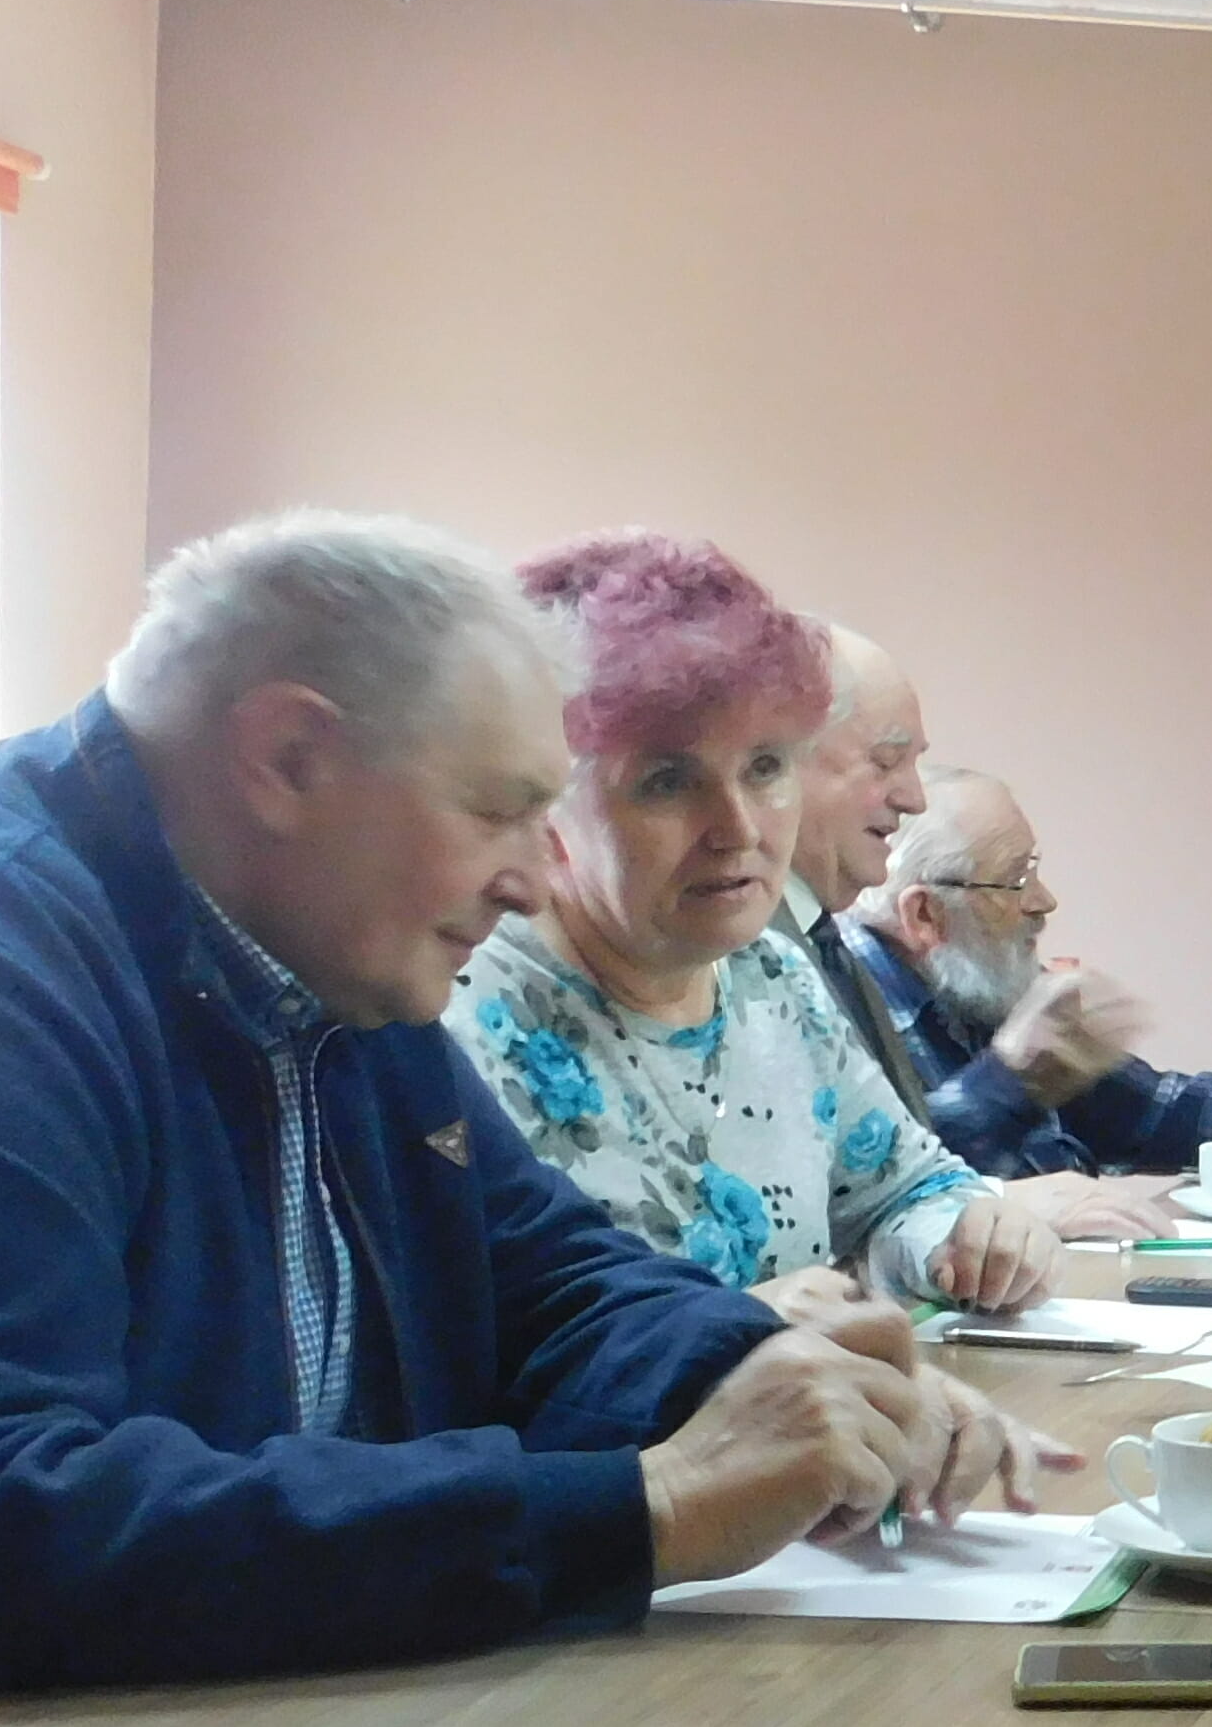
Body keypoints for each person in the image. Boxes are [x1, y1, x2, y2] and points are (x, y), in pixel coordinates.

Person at [0, 511, 1058, 1727]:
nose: (533, 880)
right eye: (500, 811)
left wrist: (771, 1377)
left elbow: (539, 1275)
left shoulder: (324, 949)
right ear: (288, 756)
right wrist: (643, 1508)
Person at [447, 535, 1054, 1312]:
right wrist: (741, 1326)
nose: (738, 828)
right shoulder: (462, 1016)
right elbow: (474, 1342)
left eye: (765, 767)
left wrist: (967, 1237)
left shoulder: (772, 977)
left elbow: (906, 1190)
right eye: (668, 782)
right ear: (547, 804)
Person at [845, 768, 1212, 1186]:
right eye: (1016, 880)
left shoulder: (973, 978)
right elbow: (885, 1189)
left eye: (1033, 870)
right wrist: (1009, 1081)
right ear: (925, 915)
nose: (1044, 901)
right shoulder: (837, 1006)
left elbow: (1158, 1112)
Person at [781, 616, 946, 1123]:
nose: (915, 799)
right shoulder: (728, 957)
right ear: (778, 762)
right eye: (886, 761)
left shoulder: (826, 944)